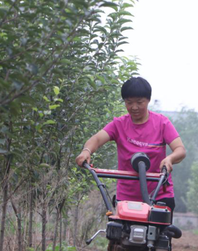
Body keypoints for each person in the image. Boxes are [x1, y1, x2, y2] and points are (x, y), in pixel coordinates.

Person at [75, 77, 186, 213]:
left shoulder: (162, 123)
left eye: (139, 102)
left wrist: (170, 159)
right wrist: (86, 151)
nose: (134, 107)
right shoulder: (119, 124)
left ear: (148, 100)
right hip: (127, 198)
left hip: (159, 194)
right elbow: (97, 139)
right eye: (129, 102)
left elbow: (180, 150)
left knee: (159, 233)